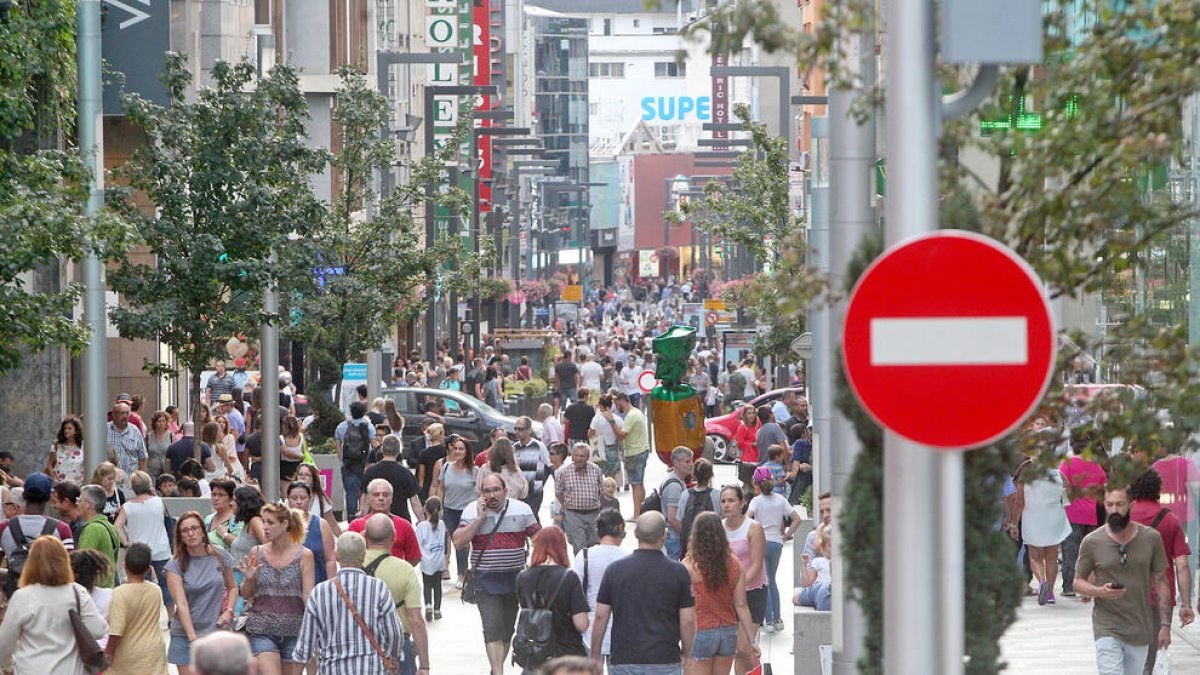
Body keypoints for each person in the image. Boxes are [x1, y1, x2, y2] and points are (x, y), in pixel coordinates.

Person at [1075, 486, 1171, 675]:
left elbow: (1162, 581)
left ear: (1131, 506)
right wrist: (1098, 591)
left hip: (1139, 628)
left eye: (1120, 504)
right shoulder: (1092, 541)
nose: (1114, 510)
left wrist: (1165, 626)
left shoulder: (1151, 538)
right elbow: (1078, 582)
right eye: (1109, 504)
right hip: (1106, 626)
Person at [453, 473, 542, 675]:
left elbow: (538, 539)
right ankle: (498, 672)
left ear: (506, 491)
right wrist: (479, 519)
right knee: (492, 628)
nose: (492, 495)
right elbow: (458, 542)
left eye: (496, 490)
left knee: (507, 631)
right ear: (481, 494)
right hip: (485, 581)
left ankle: (495, 670)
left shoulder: (522, 510)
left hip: (514, 581)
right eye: (487, 491)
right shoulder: (471, 511)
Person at [590, 512, 696, 674]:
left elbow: (600, 616)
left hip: (624, 659)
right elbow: (688, 620)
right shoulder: (679, 572)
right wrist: (687, 654)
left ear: (635, 533)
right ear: (663, 536)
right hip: (665, 659)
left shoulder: (615, 570)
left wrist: (595, 655)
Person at [293, 532, 406, 674]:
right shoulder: (378, 588)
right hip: (372, 669)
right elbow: (394, 632)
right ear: (363, 556)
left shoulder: (319, 592)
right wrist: (392, 655)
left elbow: (305, 644)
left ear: (336, 556)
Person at [0, 536, 107, 674]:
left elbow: (5, 642)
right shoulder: (77, 592)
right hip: (71, 669)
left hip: (31, 669)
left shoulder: (22, 597)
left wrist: (8, 667)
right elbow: (98, 630)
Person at [1131, 469, 1195, 673]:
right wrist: (1186, 604)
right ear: (1158, 489)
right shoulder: (1170, 519)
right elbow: (1182, 565)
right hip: (1159, 597)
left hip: (1127, 594)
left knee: (1128, 652)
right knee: (1150, 656)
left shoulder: (1124, 517)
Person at [239, 503, 315, 675]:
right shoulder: (257, 552)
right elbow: (246, 594)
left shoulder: (304, 555)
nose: (265, 527)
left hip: (294, 630)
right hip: (262, 630)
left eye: (270, 522)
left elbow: (308, 596)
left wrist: (315, 628)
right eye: (263, 522)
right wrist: (249, 578)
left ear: (285, 524)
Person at [683, 512, 760, 675]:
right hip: (727, 631)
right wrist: (751, 640)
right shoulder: (734, 564)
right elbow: (741, 605)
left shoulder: (689, 565)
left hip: (700, 629)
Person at [165, 511, 238, 674]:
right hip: (186, 635)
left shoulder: (219, 554)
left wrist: (229, 611)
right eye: (185, 531)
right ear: (180, 536)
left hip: (216, 631)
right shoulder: (175, 564)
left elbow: (233, 587)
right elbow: (181, 604)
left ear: (203, 531)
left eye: (194, 528)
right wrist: (193, 639)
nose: (191, 533)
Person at [361, 513, 431, 675]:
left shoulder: (353, 567)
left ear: (365, 536)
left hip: (360, 646)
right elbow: (416, 619)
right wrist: (424, 665)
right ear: (393, 537)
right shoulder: (405, 570)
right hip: (399, 648)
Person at [514, 527, 590, 671]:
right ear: (562, 547)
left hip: (535, 653)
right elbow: (581, 624)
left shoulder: (522, 577)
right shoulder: (569, 577)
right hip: (566, 653)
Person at [0, 472, 76, 598]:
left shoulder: (4, 528)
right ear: (48, 497)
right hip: (51, 597)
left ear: (23, 495)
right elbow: (69, 568)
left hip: (15, 596)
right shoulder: (61, 529)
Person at [720, 484, 767, 674]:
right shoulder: (718, 528)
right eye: (723, 501)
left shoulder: (753, 528)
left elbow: (757, 565)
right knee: (735, 650)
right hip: (726, 595)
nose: (726, 505)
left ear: (742, 503)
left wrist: (738, 587)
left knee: (743, 648)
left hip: (753, 592)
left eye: (731, 500)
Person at [747, 466, 800, 632]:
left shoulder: (756, 501)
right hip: (777, 543)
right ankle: (778, 619)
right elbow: (796, 519)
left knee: (765, 581)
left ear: (755, 483)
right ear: (771, 480)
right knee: (772, 580)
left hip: (761, 543)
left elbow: (747, 520)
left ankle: (768, 620)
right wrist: (786, 535)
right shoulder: (780, 499)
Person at [571, 508, 627, 662]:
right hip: (620, 632)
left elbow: (575, 594)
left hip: (589, 630)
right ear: (620, 528)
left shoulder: (584, 556)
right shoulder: (626, 558)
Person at [105, 542, 168, 675]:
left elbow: (116, 630)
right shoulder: (155, 590)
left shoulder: (119, 593)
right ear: (148, 569)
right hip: (154, 651)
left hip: (129, 655)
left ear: (124, 566)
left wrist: (108, 651)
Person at [1060, 433, 1108, 597]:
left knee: (1070, 549)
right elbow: (1103, 484)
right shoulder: (1095, 465)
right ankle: (1086, 584)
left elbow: (1061, 482)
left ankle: (1069, 586)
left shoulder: (1067, 463)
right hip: (1091, 512)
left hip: (1072, 511)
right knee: (1088, 551)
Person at [114, 470, 173, 600]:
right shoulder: (159, 502)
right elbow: (165, 517)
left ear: (133, 488)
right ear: (149, 485)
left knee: (141, 586)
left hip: (139, 552)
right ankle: (169, 612)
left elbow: (117, 526)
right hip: (161, 549)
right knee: (166, 585)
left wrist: (127, 543)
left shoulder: (127, 507)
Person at [1021, 463, 1072, 606]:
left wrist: (1013, 521)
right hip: (1054, 517)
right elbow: (1069, 490)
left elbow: (1020, 500)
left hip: (1033, 517)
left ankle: (1042, 582)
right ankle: (1050, 593)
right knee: (1051, 558)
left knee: (1034, 557)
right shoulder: (1058, 474)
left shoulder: (1027, 475)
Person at [430, 434, 477, 586]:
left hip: (467, 512)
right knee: (454, 542)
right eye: (455, 448)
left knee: (461, 543)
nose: (457, 451)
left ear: (467, 451)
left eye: (461, 449)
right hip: (450, 510)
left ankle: (462, 575)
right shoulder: (446, 467)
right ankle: (454, 570)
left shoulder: (474, 471)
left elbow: (479, 492)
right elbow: (441, 487)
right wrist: (438, 507)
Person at [348, 478, 422, 565]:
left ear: (391, 499)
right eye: (376, 495)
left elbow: (414, 557)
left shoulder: (404, 526)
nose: (381, 498)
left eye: (385, 495)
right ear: (368, 498)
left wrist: (400, 569)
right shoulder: (356, 526)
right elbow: (348, 556)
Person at [556, 442, 604, 554]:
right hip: (573, 514)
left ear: (587, 457)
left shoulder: (596, 470)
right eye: (576, 456)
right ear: (572, 456)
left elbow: (601, 490)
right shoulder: (564, 472)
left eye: (582, 456)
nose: (578, 459)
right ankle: (581, 564)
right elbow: (559, 492)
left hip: (593, 514)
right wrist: (565, 504)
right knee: (579, 546)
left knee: (594, 544)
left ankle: (592, 564)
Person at [286, 480, 337, 583]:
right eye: (294, 498)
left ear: (310, 499)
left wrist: (331, 585)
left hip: (317, 583)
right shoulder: (280, 525)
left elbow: (330, 559)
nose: (298, 502)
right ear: (288, 499)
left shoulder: (321, 524)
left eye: (303, 498)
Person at [607, 392, 649, 517]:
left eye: (616, 404)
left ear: (622, 401)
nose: (616, 407)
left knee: (635, 484)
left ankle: (636, 514)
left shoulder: (631, 416)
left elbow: (621, 435)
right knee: (639, 483)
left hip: (635, 453)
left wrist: (611, 421)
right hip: (641, 450)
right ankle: (641, 510)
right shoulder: (637, 412)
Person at [364, 435, 424, 522]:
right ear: (398, 451)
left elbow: (365, 498)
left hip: (375, 520)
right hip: (400, 519)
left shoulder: (370, 471)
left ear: (382, 449)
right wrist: (422, 521)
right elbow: (414, 500)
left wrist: (362, 516)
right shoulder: (406, 473)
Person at [336, 400, 375, 521]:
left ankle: (352, 519)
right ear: (364, 412)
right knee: (365, 491)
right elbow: (374, 445)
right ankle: (364, 517)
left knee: (351, 492)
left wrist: (343, 460)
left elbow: (338, 447)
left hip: (348, 464)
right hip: (364, 463)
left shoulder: (342, 426)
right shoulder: (368, 426)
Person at [76, 484, 121, 587]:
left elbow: (82, 564)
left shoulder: (92, 529)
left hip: (95, 590)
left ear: (88, 504)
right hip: (109, 587)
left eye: (80, 500)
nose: (77, 504)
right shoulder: (110, 527)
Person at [677, 458, 719, 555]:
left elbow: (679, 518)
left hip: (690, 545)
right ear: (711, 475)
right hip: (711, 545)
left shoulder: (685, 494)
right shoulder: (716, 494)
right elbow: (720, 517)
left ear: (693, 475)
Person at [513, 417, 552, 518]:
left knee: (531, 517)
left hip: (534, 492)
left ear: (529, 430)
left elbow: (549, 466)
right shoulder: (514, 447)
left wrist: (540, 482)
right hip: (519, 492)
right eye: (515, 429)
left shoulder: (539, 446)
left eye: (521, 429)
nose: (517, 432)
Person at [416, 497, 448, 620]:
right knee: (437, 585)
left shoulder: (422, 526)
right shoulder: (442, 524)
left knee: (427, 584)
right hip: (439, 561)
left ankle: (428, 605)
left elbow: (418, 544)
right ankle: (437, 609)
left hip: (426, 561)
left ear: (425, 509)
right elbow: (445, 541)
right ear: (440, 510)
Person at [294, 462, 341, 537]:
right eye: (300, 474)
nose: (302, 477)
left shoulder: (321, 500)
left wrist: (344, 540)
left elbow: (333, 525)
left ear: (313, 479)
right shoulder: (289, 499)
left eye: (307, 475)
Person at [108, 401, 148, 487]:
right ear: (114, 415)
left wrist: (141, 479)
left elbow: (143, 457)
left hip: (130, 480)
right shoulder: (105, 430)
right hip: (110, 480)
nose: (125, 416)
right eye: (122, 413)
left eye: (127, 413)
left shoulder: (135, 431)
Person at [798, 522, 833, 611]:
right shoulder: (817, 561)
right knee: (796, 598)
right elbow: (808, 583)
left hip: (830, 591)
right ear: (823, 547)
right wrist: (804, 564)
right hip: (818, 590)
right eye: (830, 546)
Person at [589, 395, 623, 482]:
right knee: (611, 478)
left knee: (598, 477)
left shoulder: (596, 419)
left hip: (599, 449)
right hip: (613, 448)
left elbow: (590, 434)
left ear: (600, 405)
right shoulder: (618, 419)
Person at [204, 478, 241, 551]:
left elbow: (242, 546)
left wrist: (225, 535)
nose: (216, 498)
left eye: (221, 495)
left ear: (231, 498)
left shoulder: (237, 520)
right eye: (213, 494)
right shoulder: (208, 518)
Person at [47, 416, 85, 484]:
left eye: (70, 428)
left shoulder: (83, 446)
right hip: (60, 485)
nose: (66, 430)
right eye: (65, 428)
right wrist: (54, 479)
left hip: (78, 485)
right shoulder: (56, 445)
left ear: (76, 431)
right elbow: (50, 465)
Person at [417, 423, 447, 504]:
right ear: (440, 434)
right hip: (443, 486)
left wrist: (421, 489)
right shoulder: (446, 452)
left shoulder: (424, 453)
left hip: (427, 487)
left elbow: (421, 475)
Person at [732, 405, 760, 486]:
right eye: (749, 413)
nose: (752, 415)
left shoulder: (757, 426)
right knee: (748, 484)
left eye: (753, 413)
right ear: (744, 415)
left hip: (757, 457)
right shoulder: (742, 427)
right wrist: (752, 444)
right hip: (747, 459)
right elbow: (740, 443)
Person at [146, 411, 173, 479]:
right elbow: (144, 454)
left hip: (166, 471)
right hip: (152, 471)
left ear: (166, 423)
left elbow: (175, 452)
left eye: (163, 421)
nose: (161, 423)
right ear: (154, 423)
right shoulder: (148, 436)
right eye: (159, 421)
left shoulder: (171, 436)